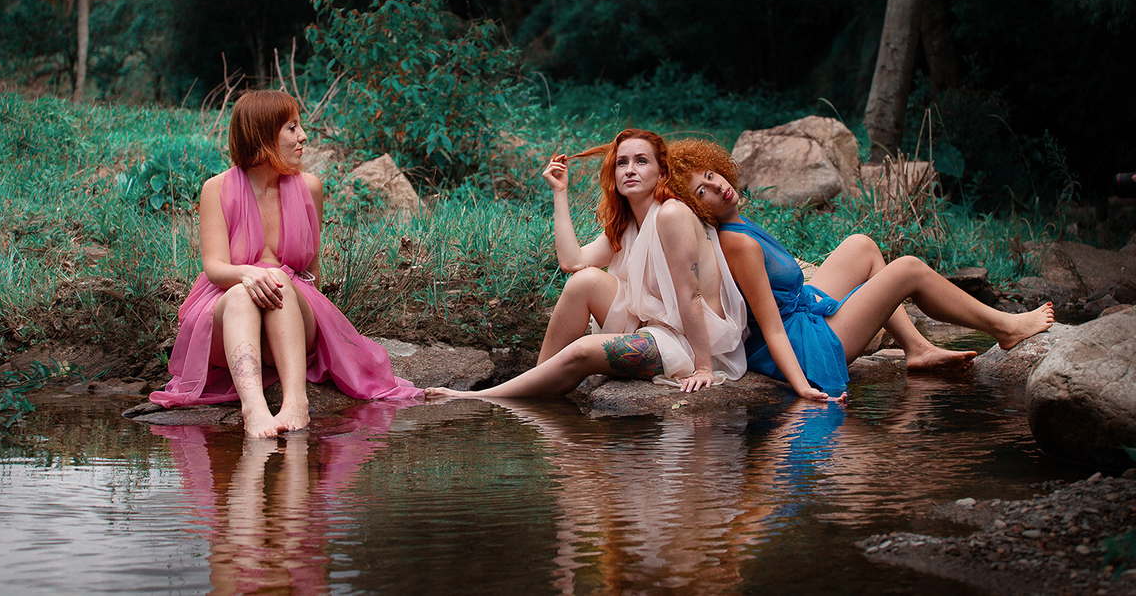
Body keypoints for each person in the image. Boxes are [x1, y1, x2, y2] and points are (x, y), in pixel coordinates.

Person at [664, 138, 1056, 402]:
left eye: (711, 176)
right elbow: (770, 327)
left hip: (802, 312)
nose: (717, 188)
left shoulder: (736, 224)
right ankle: (1005, 328)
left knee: (861, 246)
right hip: (802, 346)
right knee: (909, 269)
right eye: (702, 192)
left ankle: (917, 349)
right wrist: (802, 388)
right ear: (697, 209)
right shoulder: (738, 243)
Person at [150, 90, 421, 437]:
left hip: (292, 313)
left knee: (277, 278)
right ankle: (255, 408)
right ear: (263, 135)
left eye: (299, 127)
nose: (303, 136)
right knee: (240, 293)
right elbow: (214, 267)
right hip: (228, 316)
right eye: (292, 128)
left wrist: (304, 309)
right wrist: (248, 274)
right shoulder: (215, 189)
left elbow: (313, 270)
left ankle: (296, 400)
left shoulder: (310, 187)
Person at [425, 128, 747, 399]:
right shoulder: (629, 222)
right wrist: (560, 193)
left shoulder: (672, 213)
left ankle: (482, 398)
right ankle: (535, 385)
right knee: (584, 281)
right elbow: (572, 261)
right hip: (657, 325)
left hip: (693, 344)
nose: (630, 169)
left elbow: (690, 297)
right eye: (622, 163)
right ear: (614, 174)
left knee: (583, 351)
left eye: (641, 161)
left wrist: (704, 368)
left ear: (662, 172)